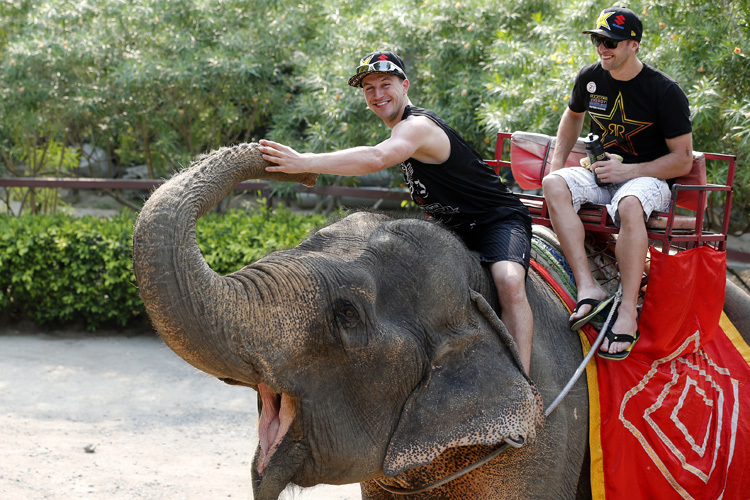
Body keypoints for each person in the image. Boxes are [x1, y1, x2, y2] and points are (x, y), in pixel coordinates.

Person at [259, 51, 534, 373]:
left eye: (385, 84)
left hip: (496, 221)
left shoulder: (417, 127)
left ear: (405, 85)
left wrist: (305, 162)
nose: (378, 94)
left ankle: (522, 379)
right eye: (369, 88)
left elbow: (376, 158)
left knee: (509, 280)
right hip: (451, 228)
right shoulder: (400, 130)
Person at [541, 7, 693, 360]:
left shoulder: (664, 91)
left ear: (634, 45)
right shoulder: (590, 78)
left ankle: (626, 312)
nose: (601, 48)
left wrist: (630, 172)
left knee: (629, 203)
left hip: (650, 180)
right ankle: (588, 287)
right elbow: (572, 116)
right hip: (602, 173)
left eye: (609, 41)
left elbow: (683, 159)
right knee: (553, 184)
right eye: (597, 39)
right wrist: (556, 165)